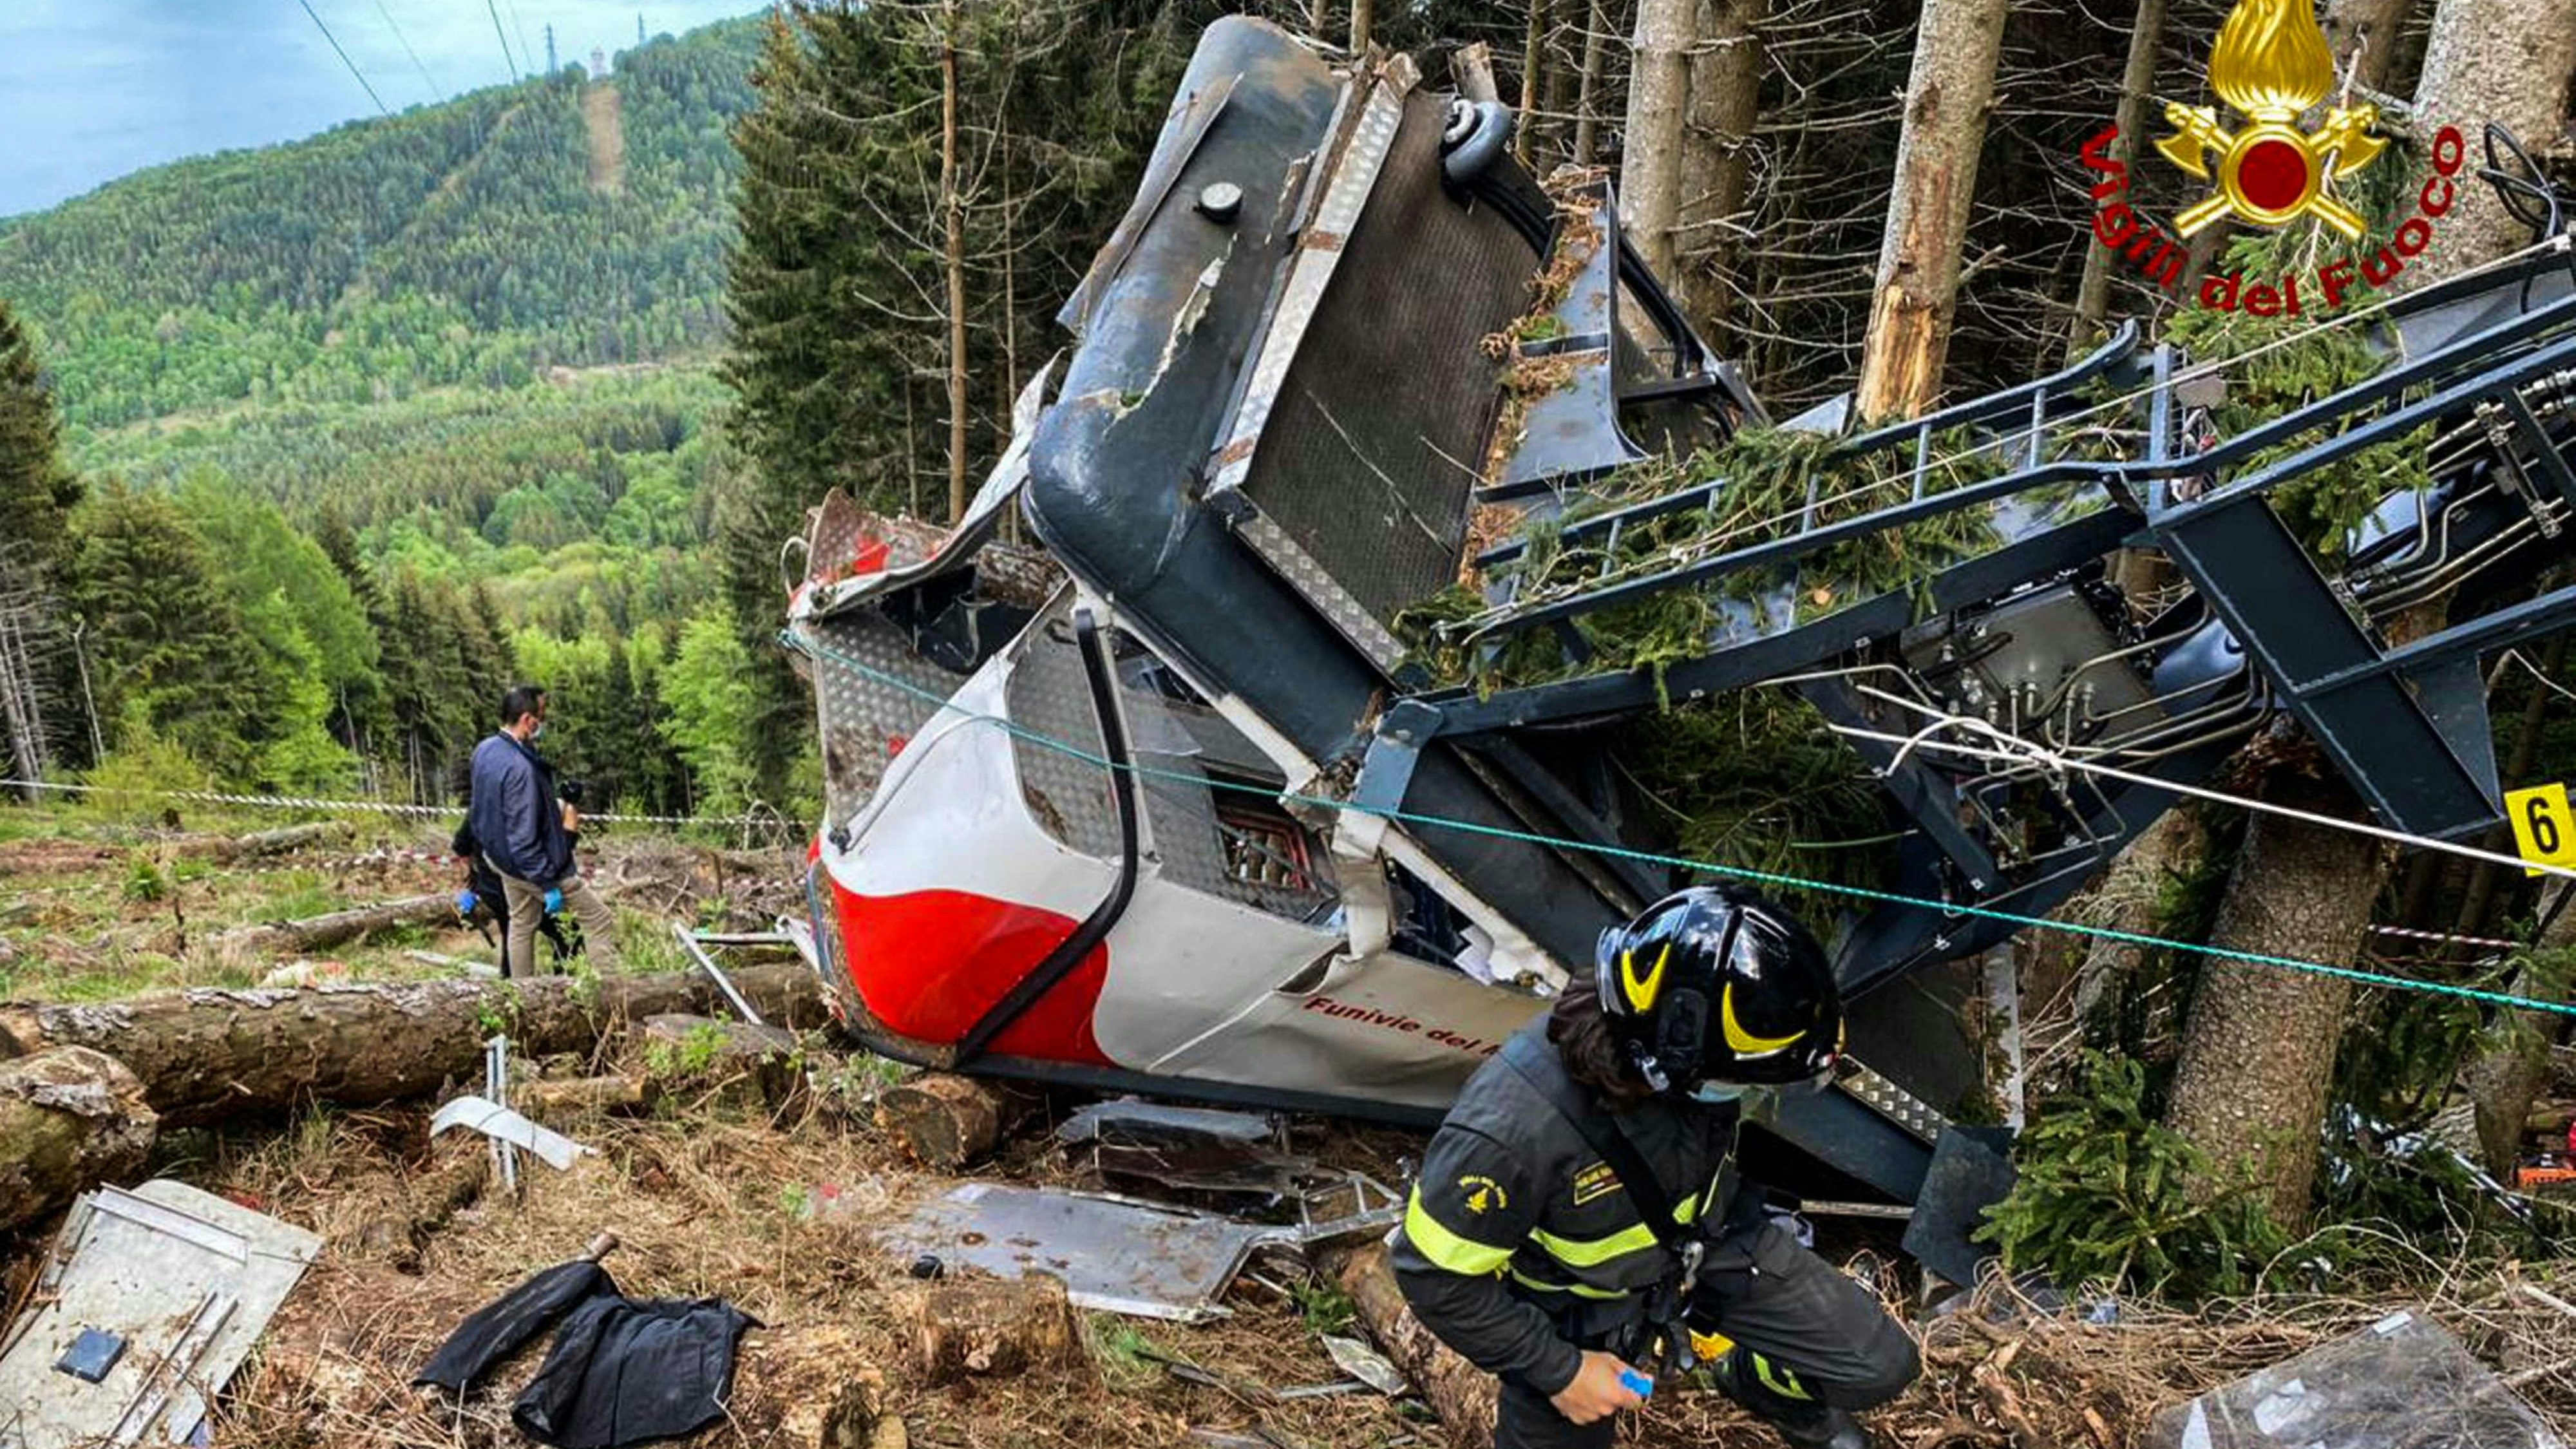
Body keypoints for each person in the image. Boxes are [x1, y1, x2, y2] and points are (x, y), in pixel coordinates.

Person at [1392, 886, 1919, 1449]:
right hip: (1575, 1310)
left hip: (1707, 1247)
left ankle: (1760, 1385)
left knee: (1877, 1364)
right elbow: (1433, 1275)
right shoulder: (1510, 1132)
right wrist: (1558, 1370)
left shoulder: (1679, 1041)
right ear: (1671, 1062)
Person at [467, 685, 618, 978]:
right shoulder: (520, 769)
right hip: (533, 865)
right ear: (527, 720)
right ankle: (612, 993)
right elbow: (524, 837)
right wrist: (548, 884)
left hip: (501, 860)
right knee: (599, 919)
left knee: (522, 924)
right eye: (541, 717)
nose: (542, 723)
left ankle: (523, 997)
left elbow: (485, 810)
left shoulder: (485, 750)